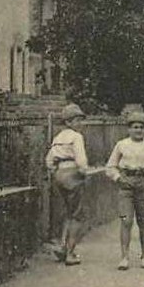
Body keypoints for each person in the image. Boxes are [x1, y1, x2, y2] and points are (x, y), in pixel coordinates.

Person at [106, 110, 144, 270]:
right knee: (126, 221)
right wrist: (118, 178)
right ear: (129, 129)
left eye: (141, 127)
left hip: (142, 185)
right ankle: (124, 257)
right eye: (135, 127)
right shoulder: (121, 145)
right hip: (126, 184)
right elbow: (110, 167)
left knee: (143, 221)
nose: (138, 130)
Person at [45, 103, 89, 266]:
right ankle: (70, 252)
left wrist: (54, 169)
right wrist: (83, 172)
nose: (80, 124)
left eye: (80, 120)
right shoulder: (77, 137)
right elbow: (81, 159)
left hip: (58, 175)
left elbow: (49, 159)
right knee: (76, 215)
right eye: (77, 120)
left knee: (65, 213)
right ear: (68, 122)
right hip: (72, 174)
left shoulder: (58, 138)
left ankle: (62, 247)